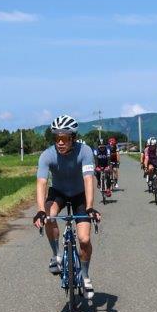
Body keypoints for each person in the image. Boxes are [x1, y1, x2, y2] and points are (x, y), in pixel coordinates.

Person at [33, 115, 101, 299]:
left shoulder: (85, 151)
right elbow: (41, 183)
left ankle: (85, 275)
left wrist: (90, 207)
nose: (60, 143)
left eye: (64, 138)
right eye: (57, 138)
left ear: (73, 137)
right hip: (59, 193)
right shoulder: (47, 155)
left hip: (80, 195)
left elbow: (88, 179)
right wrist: (40, 210)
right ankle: (56, 255)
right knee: (49, 215)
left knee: (84, 239)